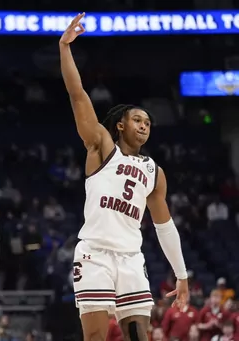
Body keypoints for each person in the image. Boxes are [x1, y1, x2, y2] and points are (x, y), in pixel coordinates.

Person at [59, 13, 189, 341]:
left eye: (147, 121)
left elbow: (164, 225)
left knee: (139, 336)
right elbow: (78, 97)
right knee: (96, 337)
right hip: (95, 255)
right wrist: (64, 48)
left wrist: (182, 274)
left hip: (131, 258)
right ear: (120, 124)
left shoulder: (154, 172)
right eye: (137, 119)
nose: (144, 125)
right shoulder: (102, 147)